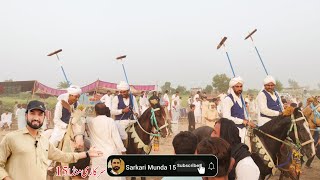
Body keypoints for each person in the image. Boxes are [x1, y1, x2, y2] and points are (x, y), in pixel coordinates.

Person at [0, 100, 103, 180]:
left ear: (44, 117)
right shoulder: (11, 138)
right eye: (33, 113)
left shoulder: (44, 141)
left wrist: (87, 154)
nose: (36, 118)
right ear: (26, 115)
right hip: (62, 128)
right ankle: (50, 164)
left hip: (72, 130)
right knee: (55, 139)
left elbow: (64, 156)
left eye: (40, 114)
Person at [86, 103, 126, 180]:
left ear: (95, 111)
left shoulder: (90, 122)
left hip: (97, 155)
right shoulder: (110, 121)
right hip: (110, 153)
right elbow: (116, 138)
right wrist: (122, 150)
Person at [222, 76, 255, 143]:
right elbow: (226, 117)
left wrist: (249, 120)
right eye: (237, 87)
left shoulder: (241, 99)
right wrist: (242, 121)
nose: (239, 88)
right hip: (232, 130)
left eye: (241, 86)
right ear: (232, 87)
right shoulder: (228, 99)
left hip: (243, 129)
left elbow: (244, 113)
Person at [111, 81, 139, 145]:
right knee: (123, 137)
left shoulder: (133, 98)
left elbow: (136, 110)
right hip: (120, 122)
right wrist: (122, 111)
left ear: (128, 91)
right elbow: (112, 111)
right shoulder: (116, 98)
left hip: (132, 121)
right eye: (121, 92)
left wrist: (136, 114)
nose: (122, 93)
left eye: (124, 92)